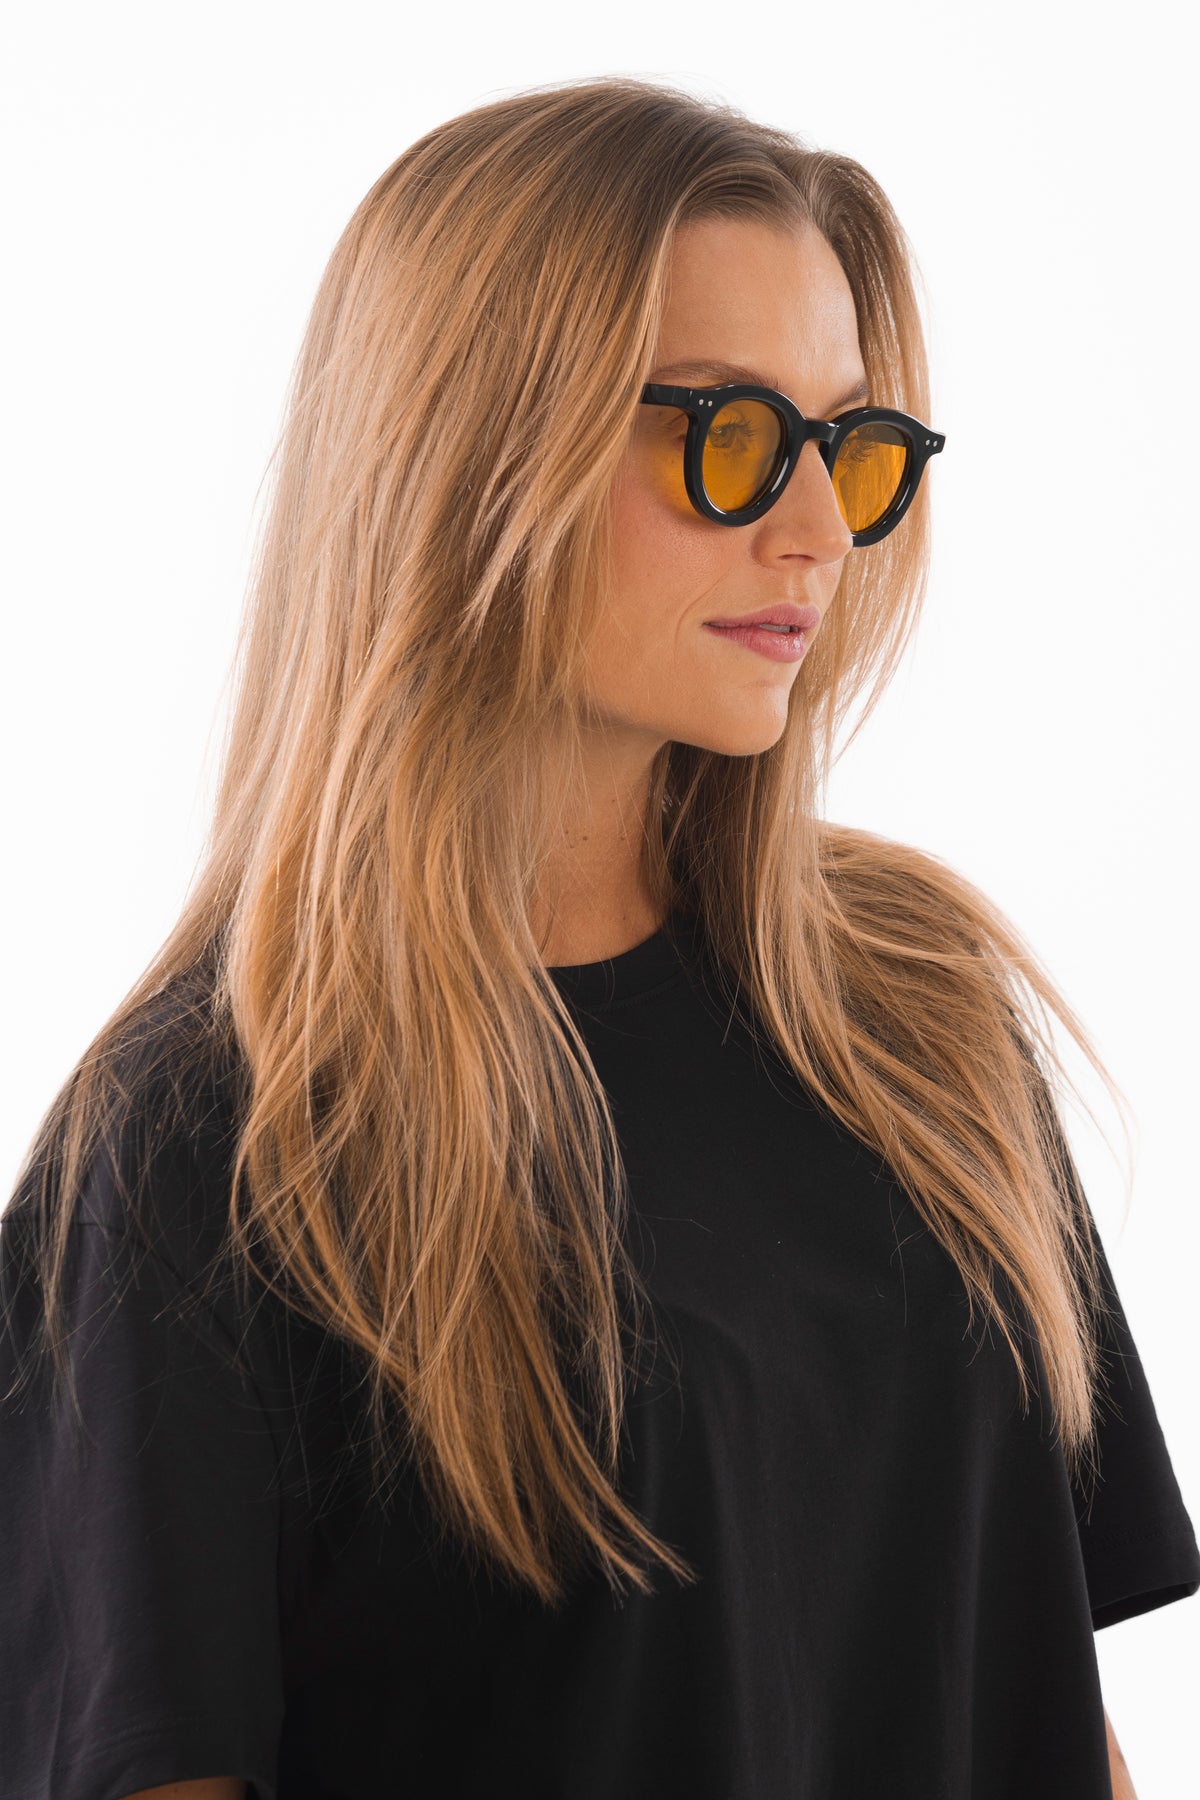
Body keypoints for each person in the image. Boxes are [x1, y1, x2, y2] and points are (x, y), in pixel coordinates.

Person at [0, 74, 1195, 1800]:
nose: (817, 532)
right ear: (469, 455)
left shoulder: (918, 1019)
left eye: (849, 446)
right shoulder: (210, 1148)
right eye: (731, 435)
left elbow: (1047, 1697)